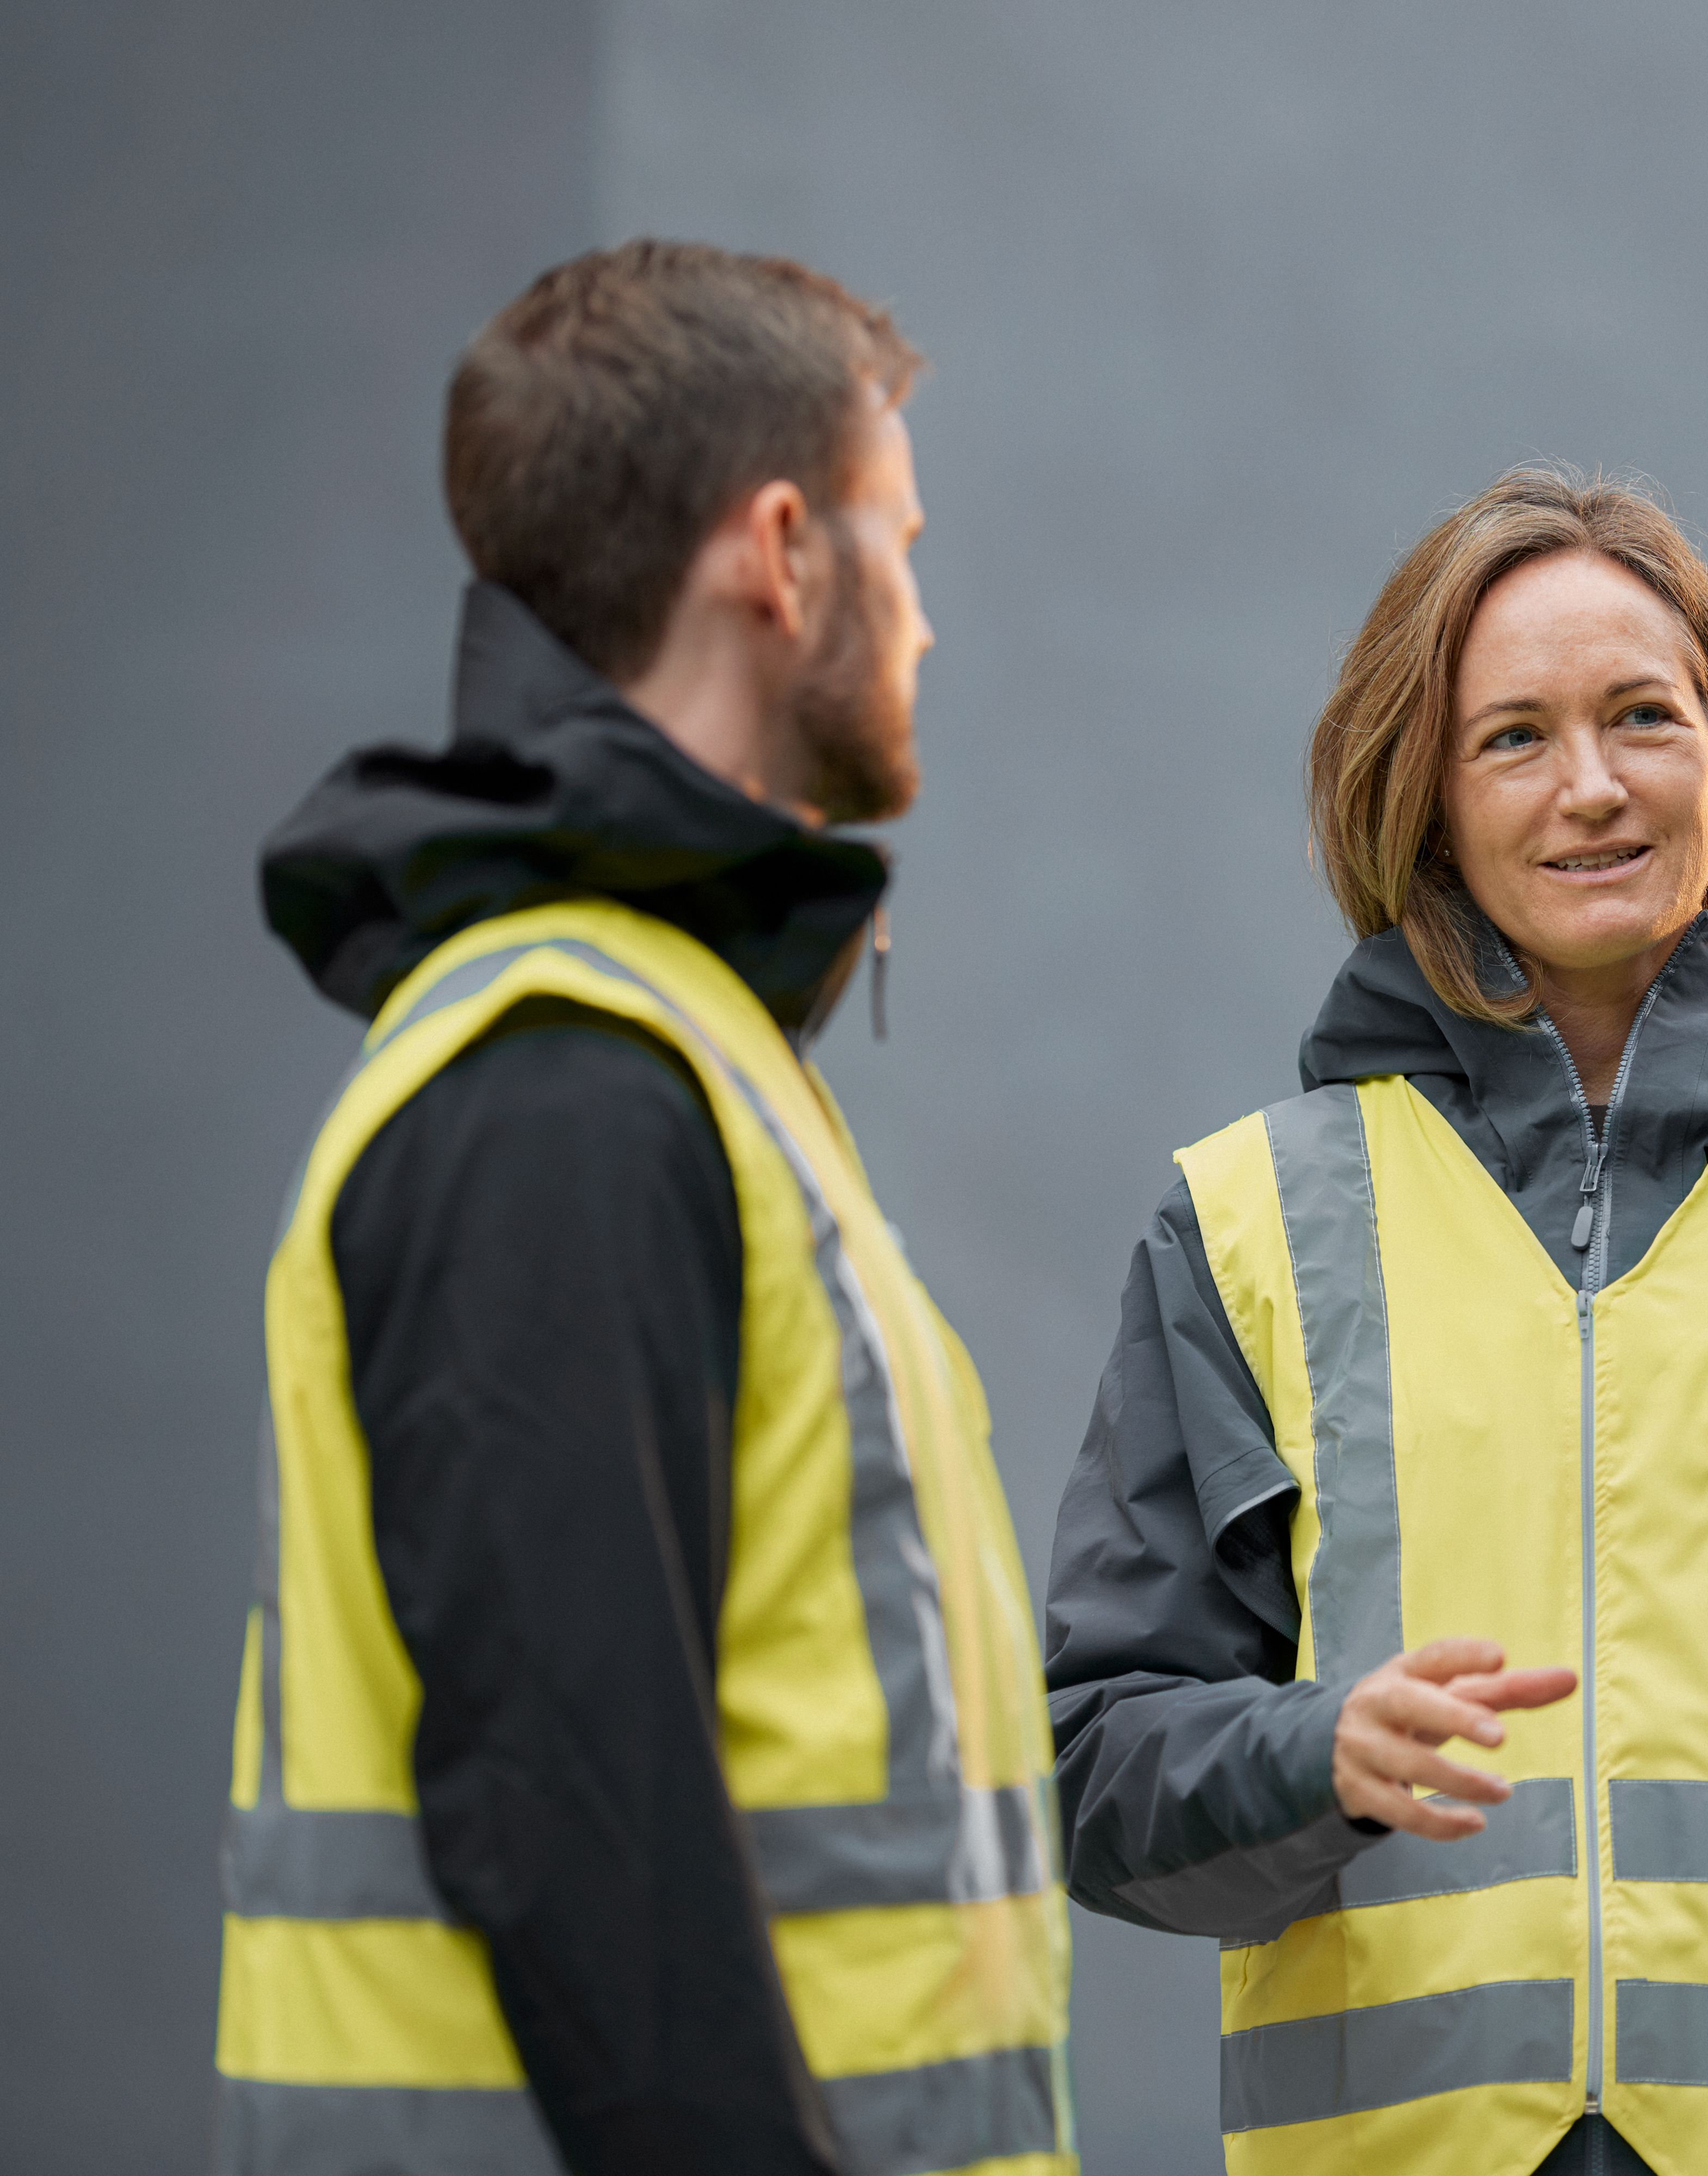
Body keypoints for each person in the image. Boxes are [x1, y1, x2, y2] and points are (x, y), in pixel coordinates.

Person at [1043, 465, 1708, 2175]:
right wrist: (1319, 1755)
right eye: (1513, 737)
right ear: (1426, 796)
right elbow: (1094, 1764)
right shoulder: (1245, 1224)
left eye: (1641, 718)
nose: (1590, 788)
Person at [220, 243, 1072, 2176]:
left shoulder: (664, 1048)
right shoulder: (568, 1089)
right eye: (901, 542)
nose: (925, 620)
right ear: (782, 551)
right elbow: (573, 1823)